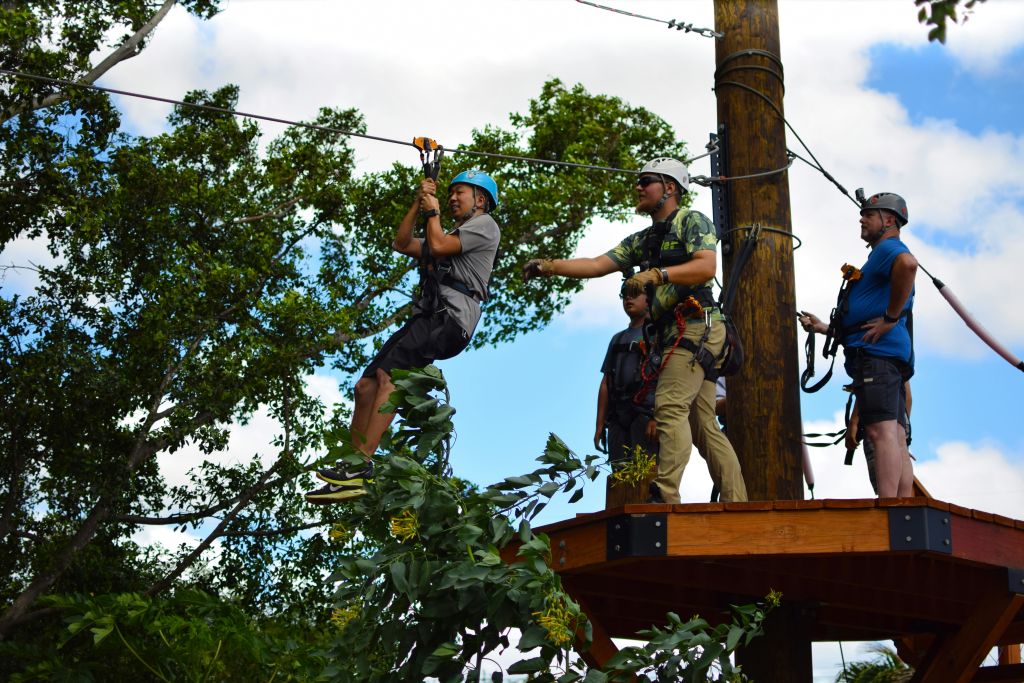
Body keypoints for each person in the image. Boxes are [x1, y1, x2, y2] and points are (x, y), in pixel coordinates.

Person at [524, 157, 748, 504]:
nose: (638, 187)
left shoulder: (691, 221)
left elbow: (705, 266)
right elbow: (598, 265)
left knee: (670, 408)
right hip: (672, 333)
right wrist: (551, 267)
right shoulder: (642, 240)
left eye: (647, 181)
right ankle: (737, 502)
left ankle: (665, 497)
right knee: (703, 425)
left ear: (670, 188)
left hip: (697, 326)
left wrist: (659, 275)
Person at [306, 170, 501, 504]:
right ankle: (350, 470)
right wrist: (418, 201)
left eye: (461, 193)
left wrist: (433, 211)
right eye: (450, 193)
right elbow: (403, 243)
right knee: (365, 386)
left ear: (480, 200)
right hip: (428, 319)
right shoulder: (450, 233)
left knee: (389, 379)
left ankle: (361, 466)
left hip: (450, 321)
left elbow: (437, 244)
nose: (454, 198)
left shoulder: (484, 226)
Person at [799, 191, 917, 498]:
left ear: (889, 220)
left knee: (880, 432)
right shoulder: (880, 254)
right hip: (884, 356)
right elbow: (861, 323)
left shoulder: (890, 249)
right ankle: (902, 505)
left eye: (869, 214)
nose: (862, 219)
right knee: (895, 433)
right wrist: (823, 328)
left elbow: (909, 265)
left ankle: (890, 506)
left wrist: (890, 318)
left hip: (877, 357)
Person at [595, 286, 658, 467]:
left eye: (635, 294)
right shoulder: (617, 339)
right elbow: (606, 382)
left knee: (646, 473)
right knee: (619, 474)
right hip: (617, 417)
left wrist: (658, 416)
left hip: (645, 415)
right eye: (625, 295)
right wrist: (599, 424)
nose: (628, 299)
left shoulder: (658, 335)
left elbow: (667, 378)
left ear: (649, 299)